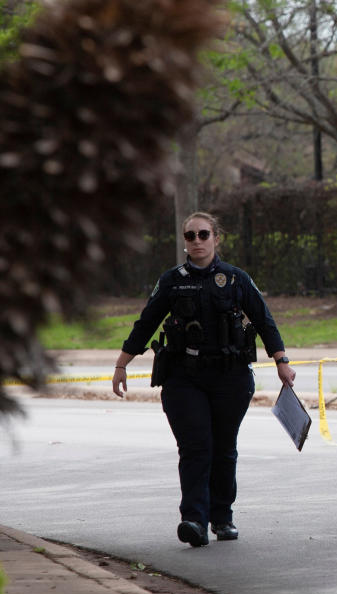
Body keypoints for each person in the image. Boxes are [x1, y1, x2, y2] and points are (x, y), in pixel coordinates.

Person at [112, 212, 296, 547]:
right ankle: (193, 519)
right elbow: (146, 322)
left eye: (203, 234)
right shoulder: (172, 281)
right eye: (190, 235)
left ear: (216, 238)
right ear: (184, 240)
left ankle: (222, 517)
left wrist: (281, 361)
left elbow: (265, 321)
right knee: (196, 447)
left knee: (224, 448)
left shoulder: (236, 279)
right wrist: (122, 363)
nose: (197, 241)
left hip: (231, 377)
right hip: (185, 377)